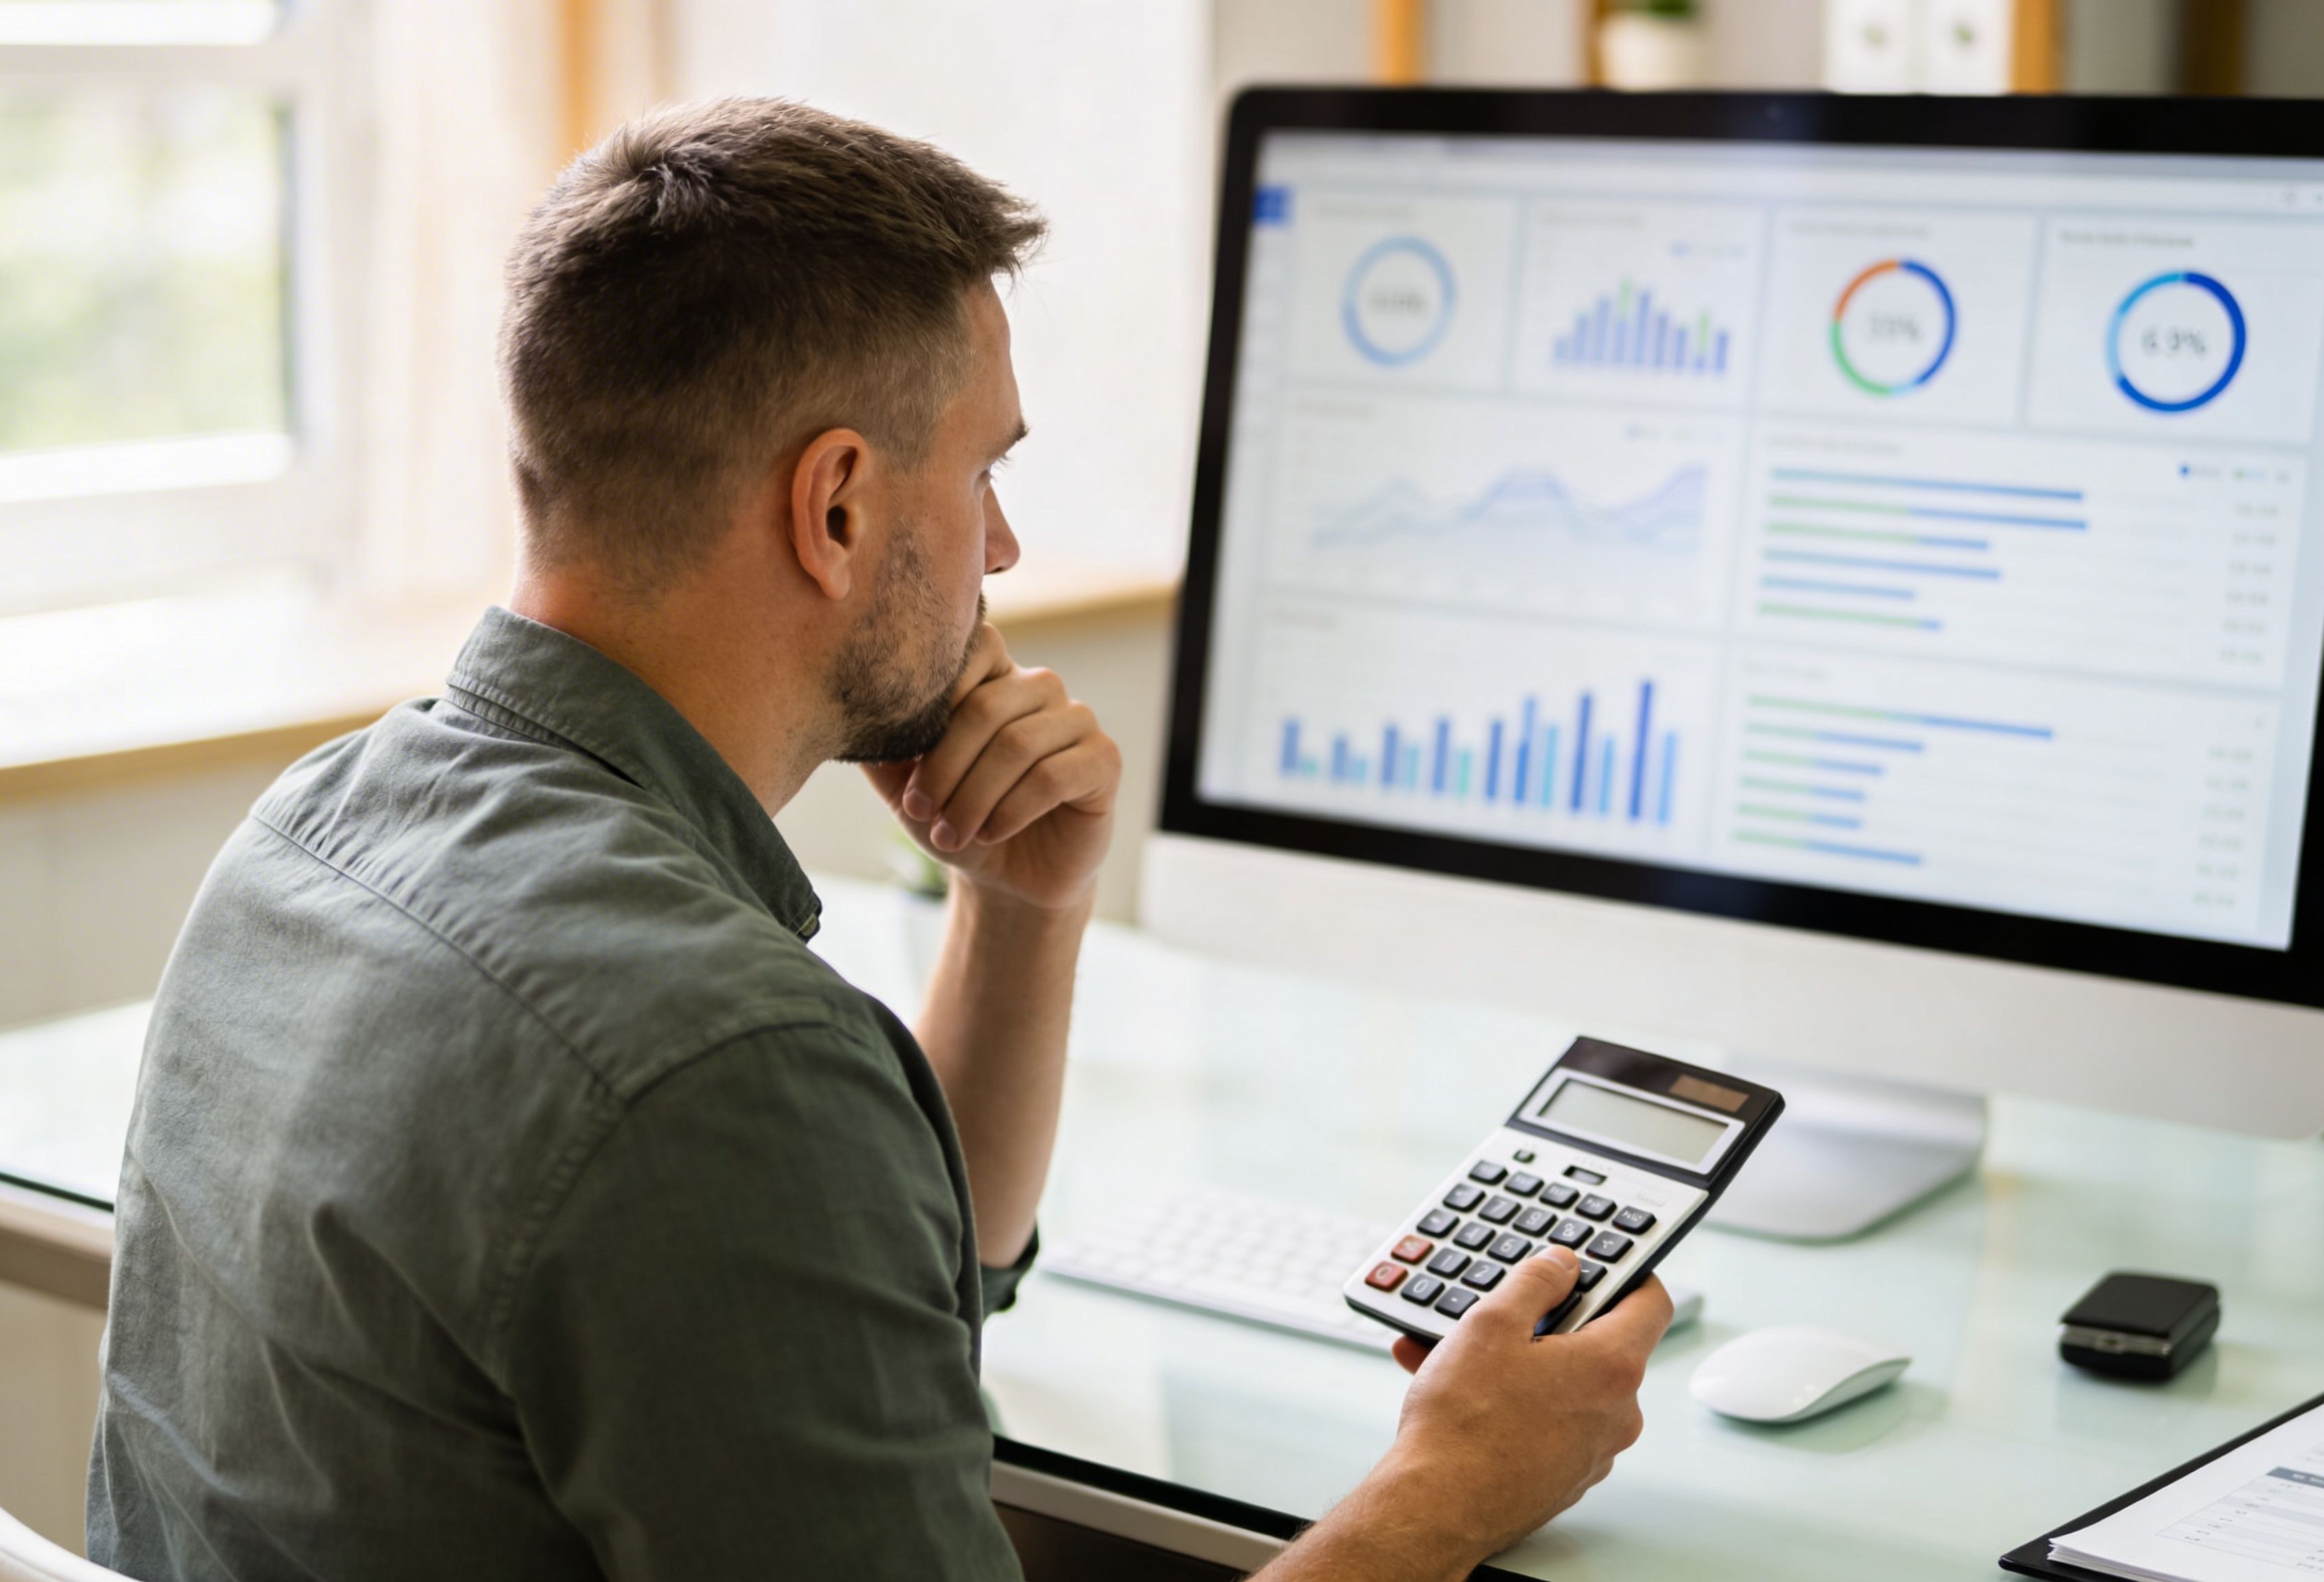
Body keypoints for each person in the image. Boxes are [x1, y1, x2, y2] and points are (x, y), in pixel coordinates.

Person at [85, 96, 1670, 1581]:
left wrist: (1019, 905)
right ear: (834, 508)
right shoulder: (714, 1062)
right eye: (982, 472)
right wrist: (1445, 1488)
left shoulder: (306, 833)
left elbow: (896, 1280)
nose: (1001, 545)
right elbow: (747, 1159)